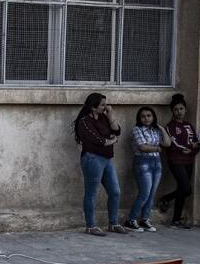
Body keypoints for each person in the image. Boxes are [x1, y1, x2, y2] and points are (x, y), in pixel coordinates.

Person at [73, 92, 128, 236]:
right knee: (92, 193)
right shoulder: (84, 122)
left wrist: (111, 117)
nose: (105, 107)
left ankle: (113, 223)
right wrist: (112, 140)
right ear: (93, 107)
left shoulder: (104, 118)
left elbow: (117, 130)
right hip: (92, 159)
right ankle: (90, 226)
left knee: (115, 191)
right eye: (102, 105)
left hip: (107, 159)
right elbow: (99, 140)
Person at [124, 106, 171, 232]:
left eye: (149, 116)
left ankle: (144, 219)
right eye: (143, 116)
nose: (146, 118)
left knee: (151, 194)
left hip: (157, 163)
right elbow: (142, 147)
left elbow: (167, 143)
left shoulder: (155, 130)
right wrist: (157, 148)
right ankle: (131, 220)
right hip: (142, 163)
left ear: (153, 117)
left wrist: (161, 128)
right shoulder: (137, 129)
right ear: (139, 118)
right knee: (144, 193)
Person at [157, 94, 200, 229]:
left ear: (185, 110)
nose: (179, 112)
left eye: (181, 109)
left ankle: (175, 220)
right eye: (176, 109)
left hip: (189, 160)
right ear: (172, 111)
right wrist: (186, 149)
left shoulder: (189, 126)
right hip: (175, 160)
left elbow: (196, 143)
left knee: (182, 189)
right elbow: (172, 143)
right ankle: (166, 198)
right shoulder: (170, 126)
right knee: (186, 189)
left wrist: (192, 150)